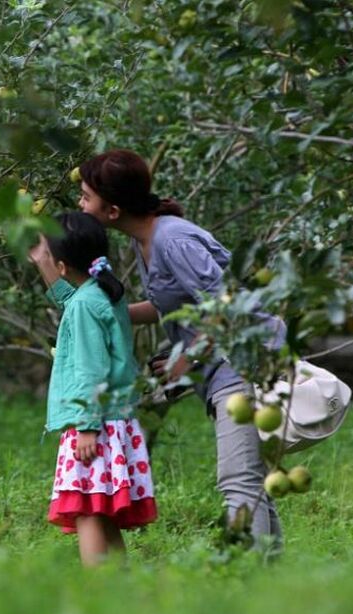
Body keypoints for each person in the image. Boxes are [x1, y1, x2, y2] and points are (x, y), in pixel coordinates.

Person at [57, 149, 285, 547]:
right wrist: (103, 315)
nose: (80, 203)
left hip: (244, 365)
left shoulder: (172, 240)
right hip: (223, 370)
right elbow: (167, 306)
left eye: (85, 197)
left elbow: (231, 306)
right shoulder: (145, 242)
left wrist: (188, 358)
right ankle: (266, 581)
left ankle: (244, 582)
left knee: (238, 482)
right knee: (250, 483)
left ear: (111, 210)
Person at [28, 212, 157, 566]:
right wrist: (44, 261)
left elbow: (89, 370)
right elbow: (71, 303)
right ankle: (119, 588)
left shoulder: (87, 304)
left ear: (64, 265)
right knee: (99, 511)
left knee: (86, 512)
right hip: (114, 421)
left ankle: (97, 591)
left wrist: (86, 426)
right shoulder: (103, 293)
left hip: (95, 424)